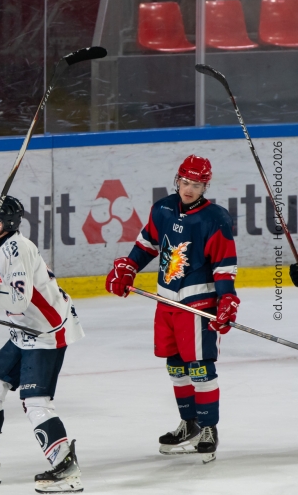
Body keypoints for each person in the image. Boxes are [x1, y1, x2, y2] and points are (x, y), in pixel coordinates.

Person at [105, 154, 237, 464]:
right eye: (185, 182)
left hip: (197, 303)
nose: (189, 189)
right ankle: (188, 423)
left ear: (206, 186)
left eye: (196, 184)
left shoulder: (214, 217)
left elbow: (223, 265)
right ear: (177, 180)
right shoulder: (163, 208)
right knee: (176, 366)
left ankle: (208, 428)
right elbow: (148, 244)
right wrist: (129, 267)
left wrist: (227, 299)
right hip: (165, 302)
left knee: (201, 367)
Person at [0, 196, 85, 493]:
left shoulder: (18, 248)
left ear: (1, 225)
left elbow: (18, 298)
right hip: (22, 329)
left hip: (46, 330)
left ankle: (65, 466)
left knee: (36, 402)